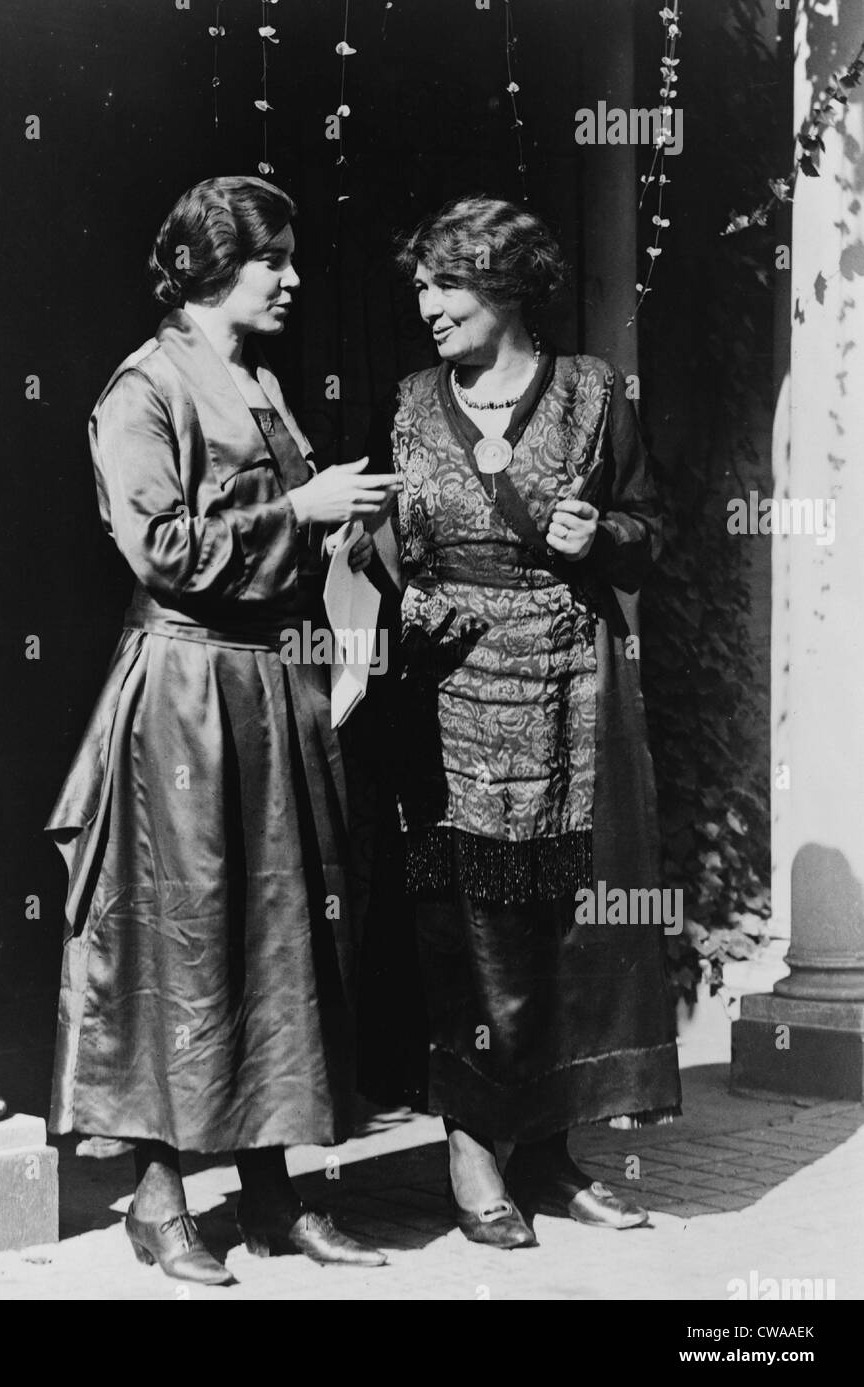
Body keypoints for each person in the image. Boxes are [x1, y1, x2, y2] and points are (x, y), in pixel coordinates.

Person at [45, 176, 399, 1285]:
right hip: (189, 694)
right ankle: (155, 1199)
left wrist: (344, 532)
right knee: (179, 937)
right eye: (272, 261)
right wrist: (298, 511)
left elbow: (282, 540)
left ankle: (270, 1193)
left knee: (280, 934)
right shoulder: (142, 390)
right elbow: (162, 551)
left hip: (271, 690)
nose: (292, 279)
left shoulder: (259, 383)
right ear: (207, 269)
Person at [386, 195, 682, 1249]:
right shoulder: (414, 402)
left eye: (446, 284)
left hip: (570, 688)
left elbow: (651, 534)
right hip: (450, 695)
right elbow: (393, 549)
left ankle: (551, 1154)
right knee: (471, 920)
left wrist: (600, 530)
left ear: (505, 284)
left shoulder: (595, 394)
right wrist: (395, 587)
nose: (427, 305)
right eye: (421, 286)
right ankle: (471, 1142)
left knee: (563, 915)